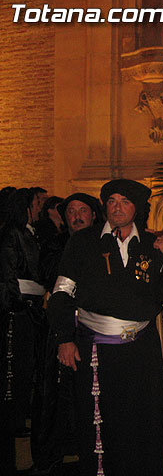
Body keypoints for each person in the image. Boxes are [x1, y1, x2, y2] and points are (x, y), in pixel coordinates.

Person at [48, 179, 163, 476]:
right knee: (102, 425)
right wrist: (64, 337)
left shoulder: (151, 244)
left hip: (142, 350)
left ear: (136, 208)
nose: (118, 208)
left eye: (124, 202)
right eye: (112, 201)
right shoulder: (83, 242)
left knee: (142, 422)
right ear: (105, 207)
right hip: (97, 351)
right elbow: (61, 293)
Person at [30, 193, 103, 475]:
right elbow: (49, 274)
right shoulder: (56, 244)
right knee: (54, 395)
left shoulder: (103, 243)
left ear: (93, 214)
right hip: (62, 329)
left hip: (94, 329)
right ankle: (52, 455)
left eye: (82, 210)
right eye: (71, 211)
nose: (76, 216)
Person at [0, 188, 47, 474]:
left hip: (27, 313)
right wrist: (21, 305)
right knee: (11, 380)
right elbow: (9, 279)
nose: (40, 208)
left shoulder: (27, 232)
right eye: (36, 203)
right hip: (16, 317)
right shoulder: (11, 235)